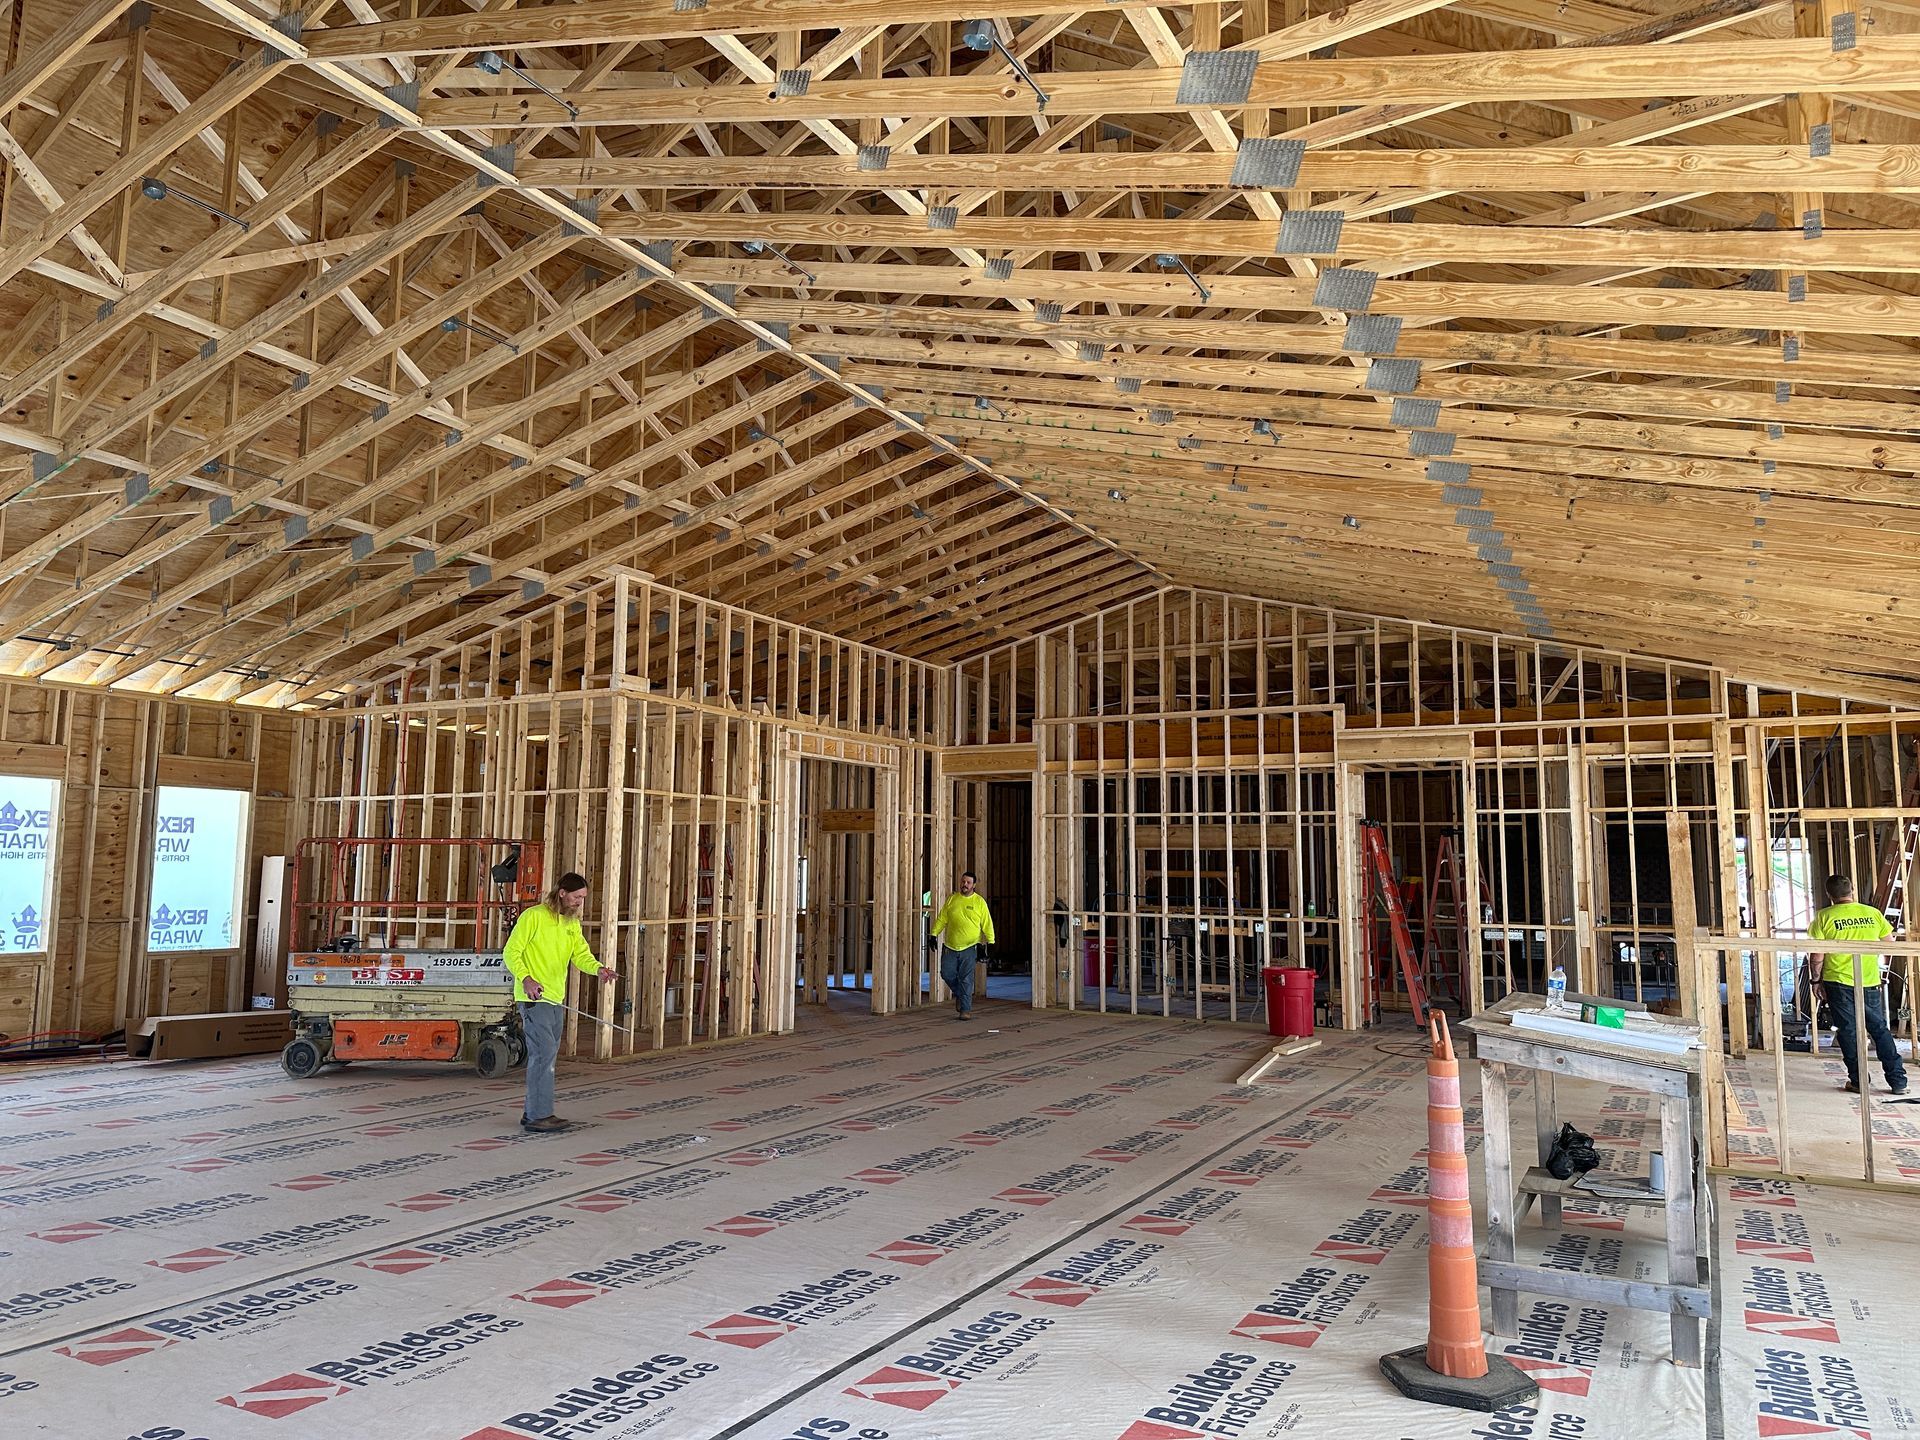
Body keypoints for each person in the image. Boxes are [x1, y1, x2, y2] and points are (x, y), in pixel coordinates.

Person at [503, 872, 612, 1130]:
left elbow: (580, 954)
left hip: (555, 999)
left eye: (583, 898)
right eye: (577, 897)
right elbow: (511, 951)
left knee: (548, 1056)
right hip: (534, 997)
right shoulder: (534, 917)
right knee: (543, 1054)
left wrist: (599, 969)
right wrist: (526, 979)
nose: (580, 903)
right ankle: (539, 1115)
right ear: (562, 893)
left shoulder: (570, 923)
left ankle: (535, 1112)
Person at [1809, 873, 1908, 1097]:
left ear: (1829, 895)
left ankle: (1859, 1080)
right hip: (1870, 980)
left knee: (1849, 1031)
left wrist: (1815, 981)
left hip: (1839, 982)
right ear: (1851, 890)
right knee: (1880, 1030)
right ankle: (1898, 1080)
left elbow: (1817, 955)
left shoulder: (1824, 917)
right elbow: (1889, 943)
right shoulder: (1872, 914)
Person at [929, 872, 994, 1021]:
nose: (965, 884)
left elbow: (987, 923)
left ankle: (965, 1010)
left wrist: (991, 942)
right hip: (950, 946)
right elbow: (942, 918)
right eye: (963, 881)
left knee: (966, 979)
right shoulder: (952, 899)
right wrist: (933, 934)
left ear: (974, 885)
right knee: (946, 973)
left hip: (969, 947)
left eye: (968, 882)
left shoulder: (979, 902)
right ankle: (960, 994)